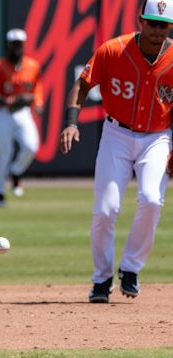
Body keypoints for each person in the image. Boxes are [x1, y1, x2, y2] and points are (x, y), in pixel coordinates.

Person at [60, 0, 173, 303]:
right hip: (117, 134)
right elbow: (82, 84)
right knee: (106, 209)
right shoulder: (113, 49)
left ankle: (131, 268)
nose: (156, 30)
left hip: (157, 137)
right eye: (151, 22)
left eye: (162, 24)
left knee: (151, 199)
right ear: (140, 21)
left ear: (170, 27)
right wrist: (71, 123)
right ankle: (101, 279)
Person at [0, 28, 44, 207]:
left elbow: (36, 89)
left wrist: (37, 103)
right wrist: (5, 100)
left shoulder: (32, 66)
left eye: (20, 44)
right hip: (1, 112)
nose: (17, 48)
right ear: (8, 45)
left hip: (22, 112)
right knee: (5, 153)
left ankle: (16, 172)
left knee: (31, 146)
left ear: (24, 45)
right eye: (14, 44)